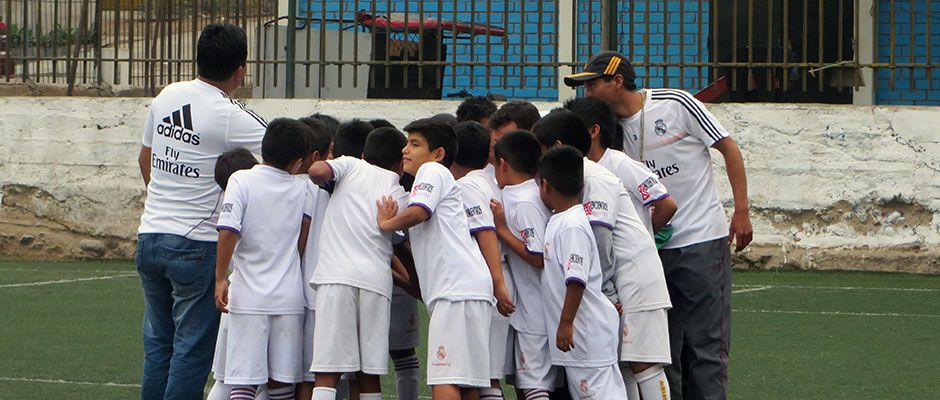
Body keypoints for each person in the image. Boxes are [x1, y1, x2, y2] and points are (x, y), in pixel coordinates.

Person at [566, 50, 753, 400]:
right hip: (649, 252)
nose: (586, 93)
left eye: (592, 85)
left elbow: (729, 148)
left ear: (617, 81)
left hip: (701, 240)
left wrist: (741, 210)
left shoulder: (677, 103)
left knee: (706, 347)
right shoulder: (609, 131)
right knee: (662, 352)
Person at [135, 23, 266, 400]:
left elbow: (146, 159)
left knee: (158, 345)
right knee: (191, 350)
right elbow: (283, 145)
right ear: (241, 69)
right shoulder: (227, 114)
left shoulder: (167, 95)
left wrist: (165, 202)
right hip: (197, 242)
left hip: (150, 235)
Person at [377, 118, 495, 400]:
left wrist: (386, 224)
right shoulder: (435, 179)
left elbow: (420, 212)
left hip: (454, 288)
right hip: (470, 287)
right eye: (406, 143)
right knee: (467, 383)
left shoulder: (432, 171)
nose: (405, 150)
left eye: (415, 144)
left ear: (438, 154)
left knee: (445, 378)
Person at [214, 118, 317, 400]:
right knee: (282, 383)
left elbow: (228, 231)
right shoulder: (305, 188)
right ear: (298, 162)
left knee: (243, 381)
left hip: (249, 297)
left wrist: (221, 278)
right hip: (289, 298)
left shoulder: (241, 180)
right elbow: (302, 240)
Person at [305, 127, 411, 400]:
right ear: (400, 164)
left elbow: (317, 172)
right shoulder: (399, 193)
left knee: (328, 371)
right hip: (376, 283)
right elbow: (400, 243)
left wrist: (324, 170)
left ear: (364, 154)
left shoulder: (351, 165)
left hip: (337, 278)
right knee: (368, 373)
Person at [536, 145, 627, 400]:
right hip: (584, 340)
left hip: (585, 336)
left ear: (545, 186)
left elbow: (576, 280)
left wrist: (565, 324)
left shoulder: (572, 225)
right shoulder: (561, 220)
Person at [450, 121, 516, 400]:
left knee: (480, 375)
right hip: (496, 276)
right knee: (484, 375)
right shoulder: (490, 180)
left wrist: (497, 284)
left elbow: (485, 232)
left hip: (487, 281)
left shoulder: (466, 187)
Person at [489, 130, 556, 400]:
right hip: (526, 306)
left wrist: (502, 230)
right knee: (524, 380)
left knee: (535, 383)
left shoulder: (526, 201)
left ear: (503, 164)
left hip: (536, 308)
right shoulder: (518, 194)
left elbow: (539, 256)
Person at [206, 148, 273, 400]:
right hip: (256, 297)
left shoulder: (231, 204)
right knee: (260, 381)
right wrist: (221, 278)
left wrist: (221, 279)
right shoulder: (253, 200)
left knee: (228, 378)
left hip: (239, 294)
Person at [564, 97, 677, 239]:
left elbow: (667, 205)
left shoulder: (620, 163)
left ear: (593, 131)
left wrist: (640, 238)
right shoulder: (576, 169)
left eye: (570, 129)